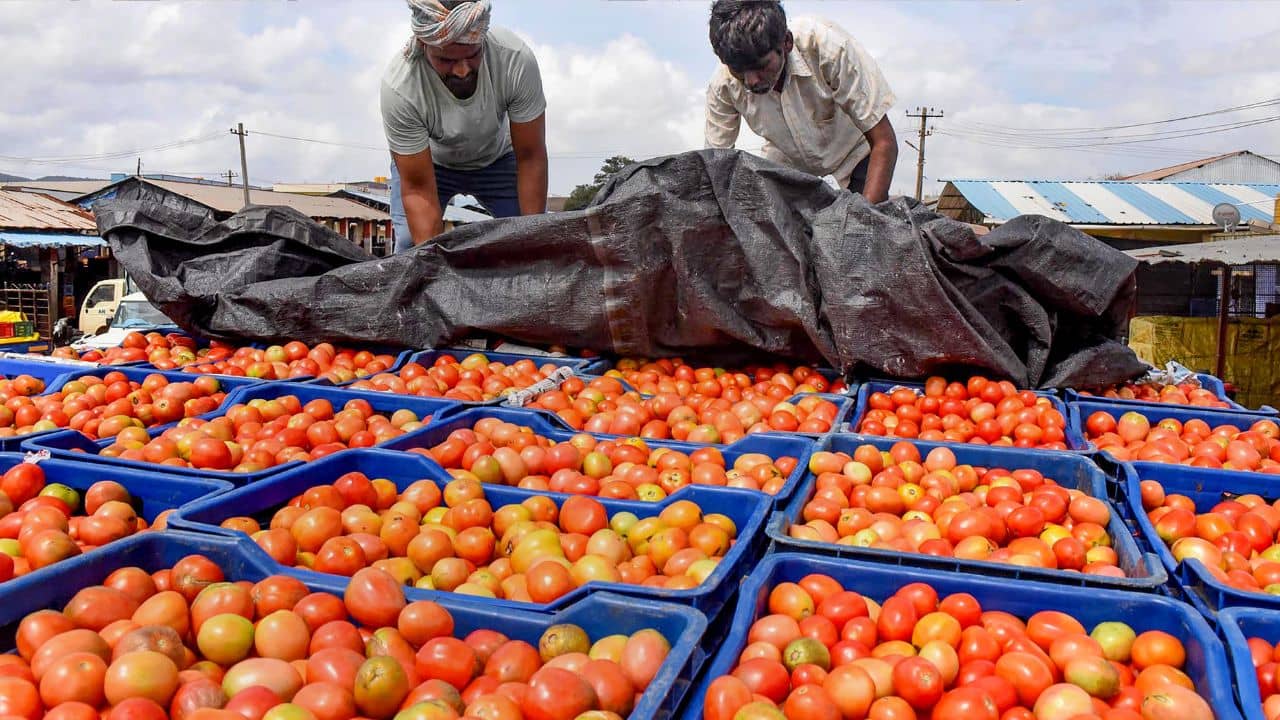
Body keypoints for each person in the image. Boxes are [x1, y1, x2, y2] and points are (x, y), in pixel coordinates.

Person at [382, 0, 548, 250]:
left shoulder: (515, 60)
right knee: (410, 248)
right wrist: (430, 267)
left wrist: (532, 244)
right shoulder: (401, 87)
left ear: (482, 39)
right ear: (424, 44)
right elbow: (417, 188)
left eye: (472, 55)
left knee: (531, 241)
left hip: (498, 159)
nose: (461, 71)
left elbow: (531, 156)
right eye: (446, 60)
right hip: (431, 167)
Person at [704, 0, 899, 203]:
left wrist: (866, 221)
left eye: (761, 66)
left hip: (854, 155)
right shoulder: (722, 85)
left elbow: (884, 142)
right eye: (738, 70)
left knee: (861, 226)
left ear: (786, 42)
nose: (751, 80)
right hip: (786, 163)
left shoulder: (828, 47)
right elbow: (716, 168)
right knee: (772, 224)